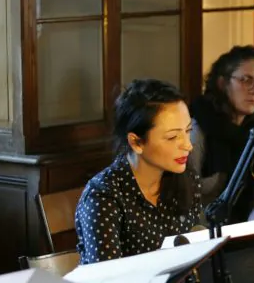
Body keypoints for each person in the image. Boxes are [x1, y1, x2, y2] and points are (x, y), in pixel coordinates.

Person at [75, 79, 201, 264]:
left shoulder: (186, 177)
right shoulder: (103, 196)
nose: (188, 145)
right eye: (173, 137)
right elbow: (105, 280)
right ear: (136, 142)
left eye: (188, 131)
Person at [188, 46, 254, 221]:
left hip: (243, 233)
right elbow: (185, 204)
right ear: (222, 83)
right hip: (202, 233)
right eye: (246, 80)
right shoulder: (198, 127)